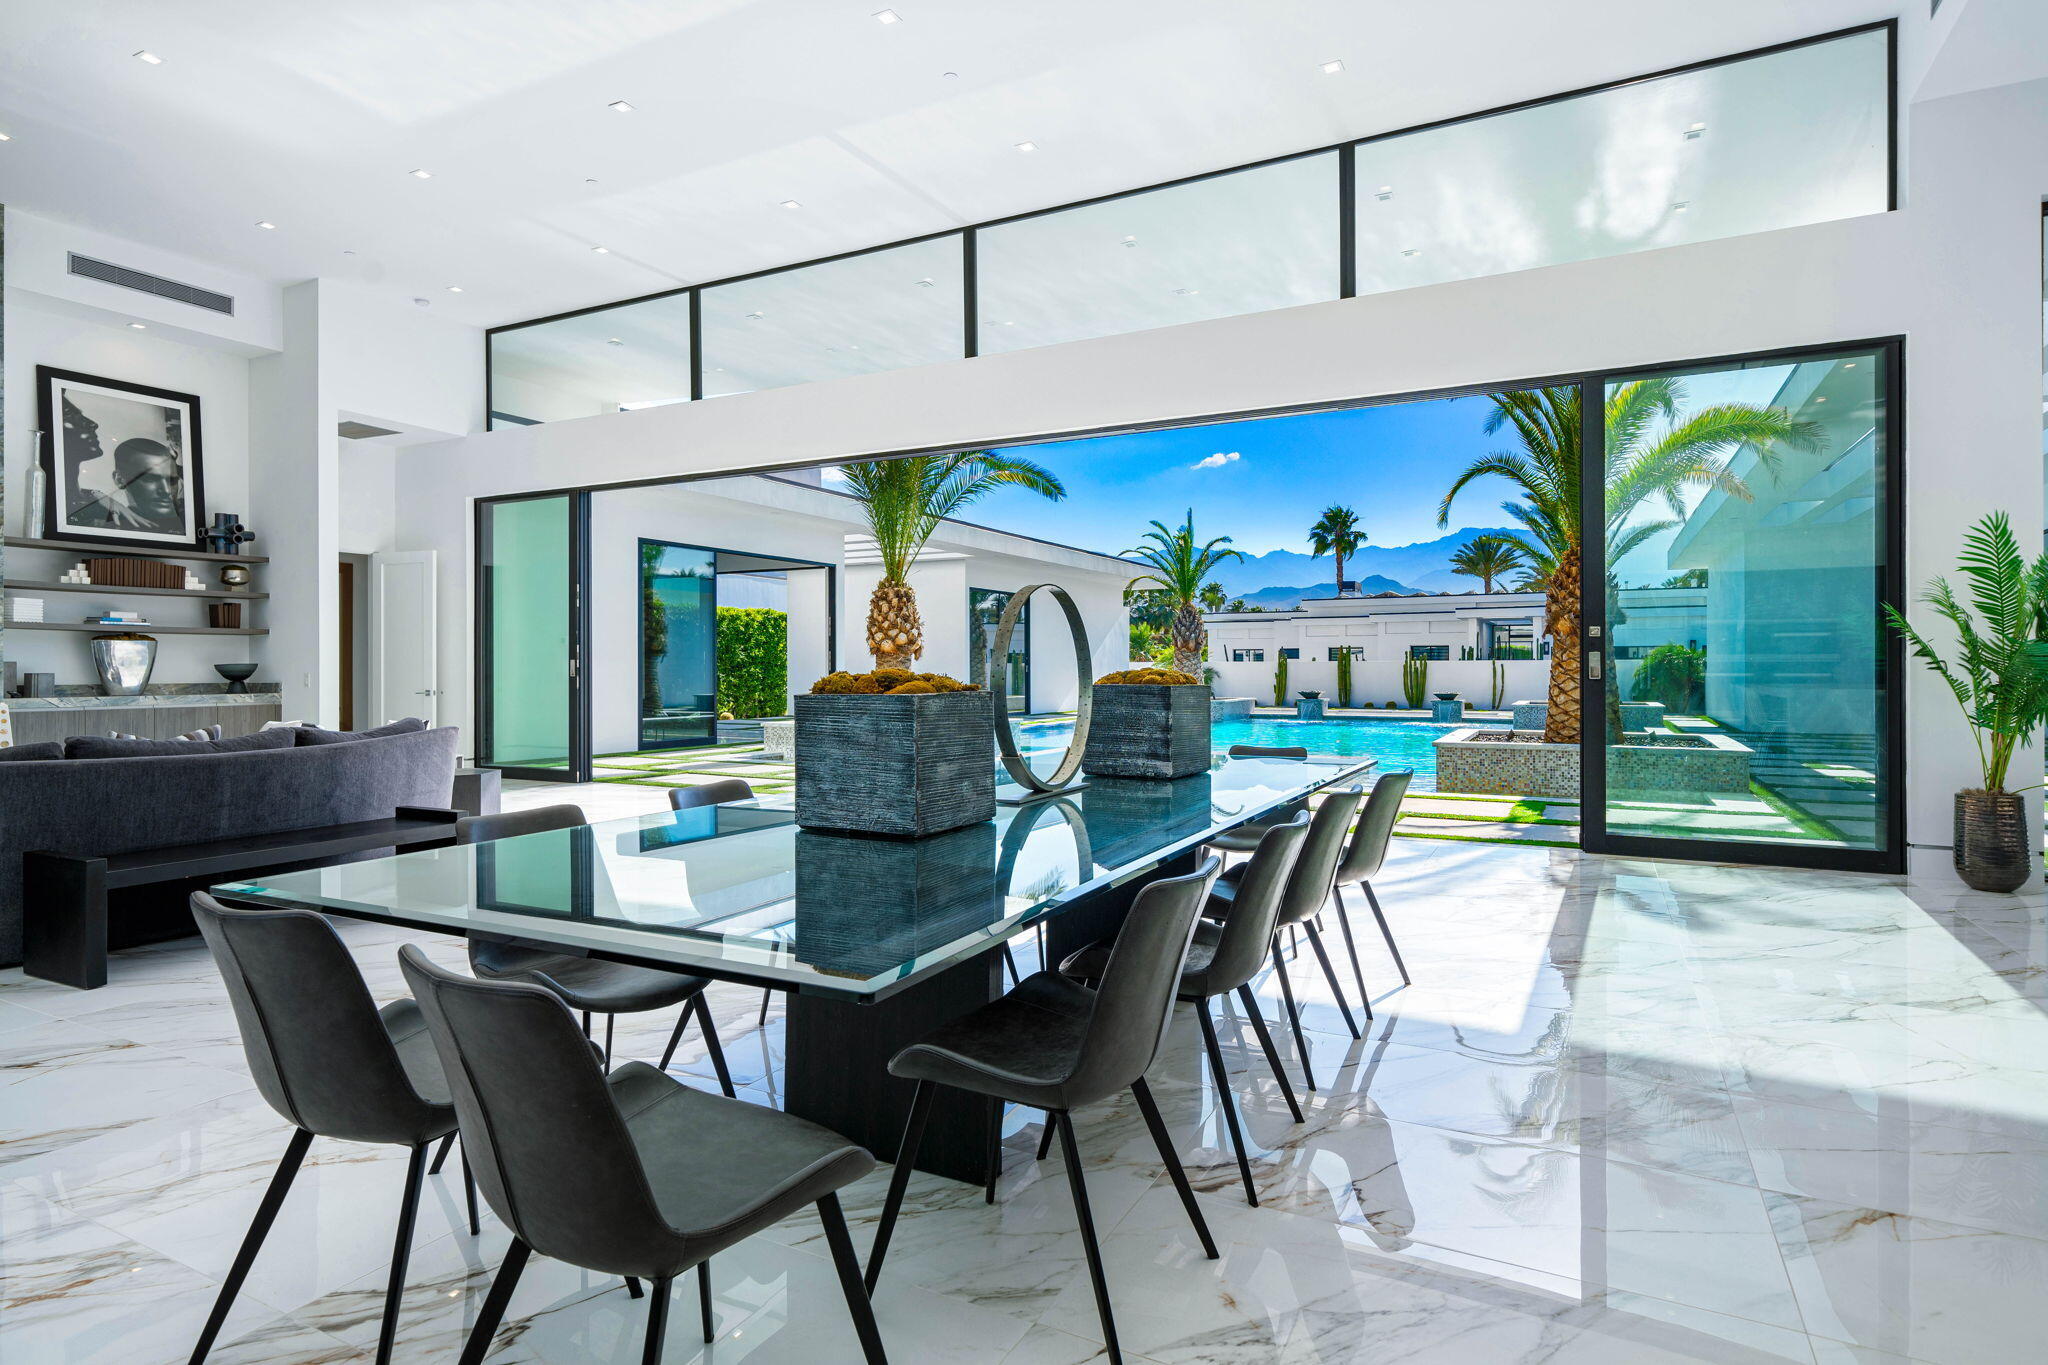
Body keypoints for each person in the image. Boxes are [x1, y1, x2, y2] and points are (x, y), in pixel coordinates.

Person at [70, 437, 185, 533]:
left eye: (172, 481)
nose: (166, 490)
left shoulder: (190, 524)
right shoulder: (102, 528)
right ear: (119, 479)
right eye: (150, 479)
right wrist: (94, 495)